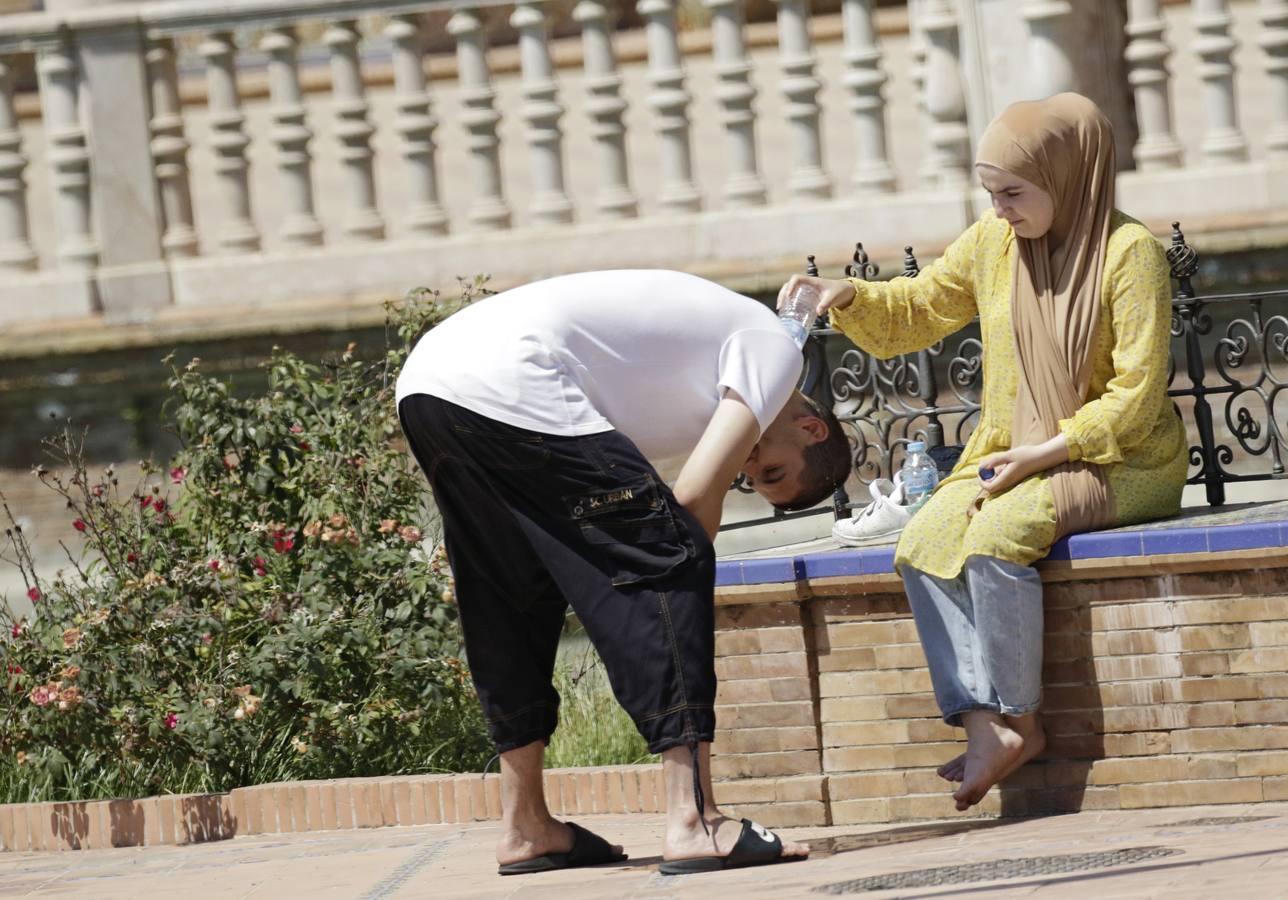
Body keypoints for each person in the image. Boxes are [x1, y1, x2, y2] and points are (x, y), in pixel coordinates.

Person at [780, 93, 1189, 812]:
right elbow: (922, 305)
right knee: (924, 538)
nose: (998, 208)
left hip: (1118, 462)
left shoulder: (1131, 256)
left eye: (1011, 192)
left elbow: (1137, 394)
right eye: (989, 192)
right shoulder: (992, 245)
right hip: (1014, 454)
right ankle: (983, 726)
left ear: (1067, 179)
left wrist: (1043, 455)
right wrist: (845, 296)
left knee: (997, 536)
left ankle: (1022, 722)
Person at [395, 268, 850, 875]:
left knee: (512, 589)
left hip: (431, 382)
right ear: (811, 428)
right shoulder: (774, 353)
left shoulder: (712, 371)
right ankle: (694, 820)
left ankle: (526, 825)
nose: (750, 468)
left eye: (757, 480)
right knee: (671, 558)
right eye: (771, 472)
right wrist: (677, 580)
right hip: (513, 376)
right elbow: (692, 499)